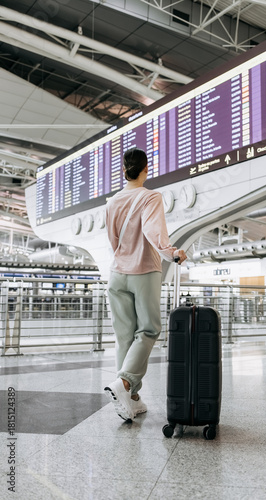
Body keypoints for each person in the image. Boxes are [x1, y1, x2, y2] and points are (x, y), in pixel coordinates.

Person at [104, 147, 187, 421]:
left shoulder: (112, 201)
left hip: (117, 273)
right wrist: (173, 252)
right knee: (149, 330)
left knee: (124, 337)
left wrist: (124, 255)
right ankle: (125, 383)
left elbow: (113, 240)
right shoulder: (151, 196)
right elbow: (154, 232)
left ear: (123, 171)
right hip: (144, 270)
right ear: (145, 169)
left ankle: (133, 398)